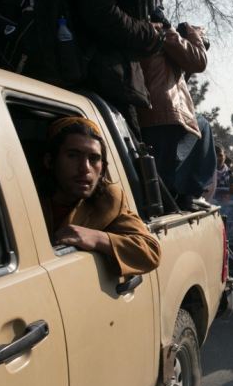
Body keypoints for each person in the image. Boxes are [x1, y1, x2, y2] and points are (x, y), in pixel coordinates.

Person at [40, 117, 161, 276]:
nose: (85, 168)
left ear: (102, 168)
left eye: (94, 158)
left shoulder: (107, 201)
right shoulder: (23, 198)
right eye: (73, 155)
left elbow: (150, 251)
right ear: (50, 161)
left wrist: (97, 238)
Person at [138, 21, 215, 207]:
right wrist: (192, 31)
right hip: (165, 113)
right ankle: (191, 192)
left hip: (153, 113)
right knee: (202, 124)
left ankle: (179, 197)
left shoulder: (164, 48)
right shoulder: (165, 35)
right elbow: (198, 60)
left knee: (162, 173)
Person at [75, 0, 167, 138]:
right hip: (101, 80)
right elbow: (100, 11)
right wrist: (149, 33)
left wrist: (154, 37)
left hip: (115, 80)